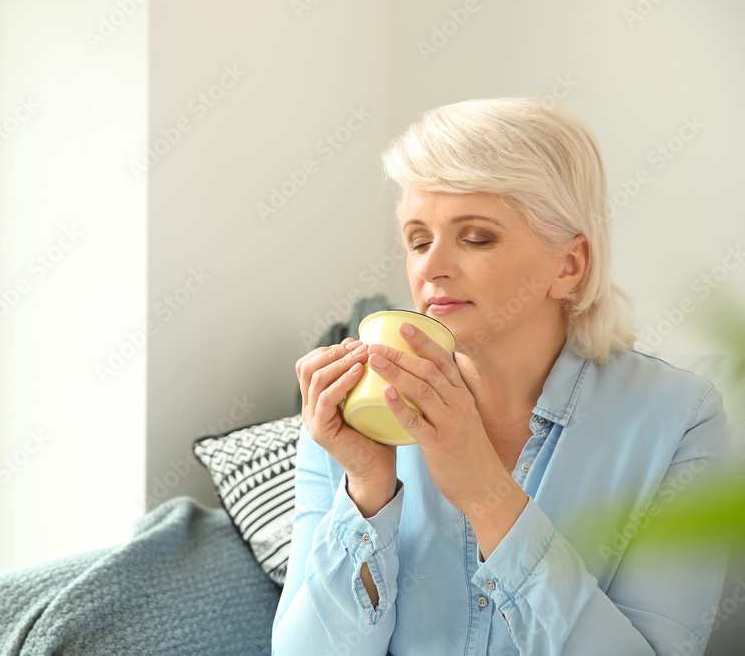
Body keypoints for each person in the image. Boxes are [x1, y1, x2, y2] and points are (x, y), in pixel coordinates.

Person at [271, 97, 733, 655]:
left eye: (476, 237)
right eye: (418, 240)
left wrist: (488, 496)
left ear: (569, 266)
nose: (430, 267)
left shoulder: (679, 421)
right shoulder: (351, 419)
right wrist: (368, 493)